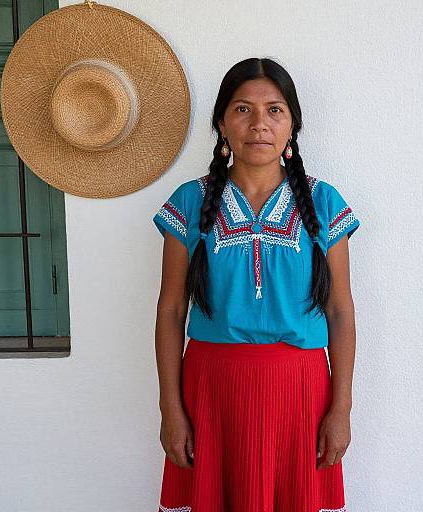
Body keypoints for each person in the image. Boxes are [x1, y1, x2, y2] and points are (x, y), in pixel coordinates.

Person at [152, 57, 361, 512]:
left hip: (300, 394)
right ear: (221, 125)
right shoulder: (188, 202)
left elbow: (340, 312)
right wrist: (171, 407)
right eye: (243, 109)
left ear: (292, 126)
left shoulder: (324, 203)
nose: (259, 124)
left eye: (275, 110)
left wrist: (340, 408)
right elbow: (170, 311)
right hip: (212, 391)